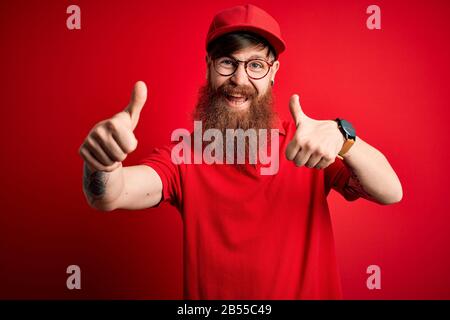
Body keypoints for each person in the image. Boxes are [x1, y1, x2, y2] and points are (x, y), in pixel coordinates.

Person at [79, 4, 402, 299]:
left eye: (256, 65)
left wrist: (345, 139)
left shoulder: (308, 146)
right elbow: (109, 196)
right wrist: (102, 163)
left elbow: (390, 192)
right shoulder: (184, 157)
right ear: (209, 66)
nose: (239, 78)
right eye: (227, 62)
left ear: (273, 72)